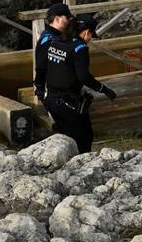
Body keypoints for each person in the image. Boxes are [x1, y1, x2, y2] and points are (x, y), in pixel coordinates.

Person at [43, 13, 117, 152]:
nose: (90, 39)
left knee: (65, 138)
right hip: (67, 103)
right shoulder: (80, 49)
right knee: (84, 137)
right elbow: (83, 76)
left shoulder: (55, 42)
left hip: (51, 100)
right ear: (86, 32)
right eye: (90, 35)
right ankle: (80, 168)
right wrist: (104, 89)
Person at [34, 3, 75, 104]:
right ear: (57, 19)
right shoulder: (49, 41)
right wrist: (40, 87)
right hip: (53, 91)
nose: (69, 21)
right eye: (67, 18)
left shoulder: (50, 35)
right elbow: (41, 66)